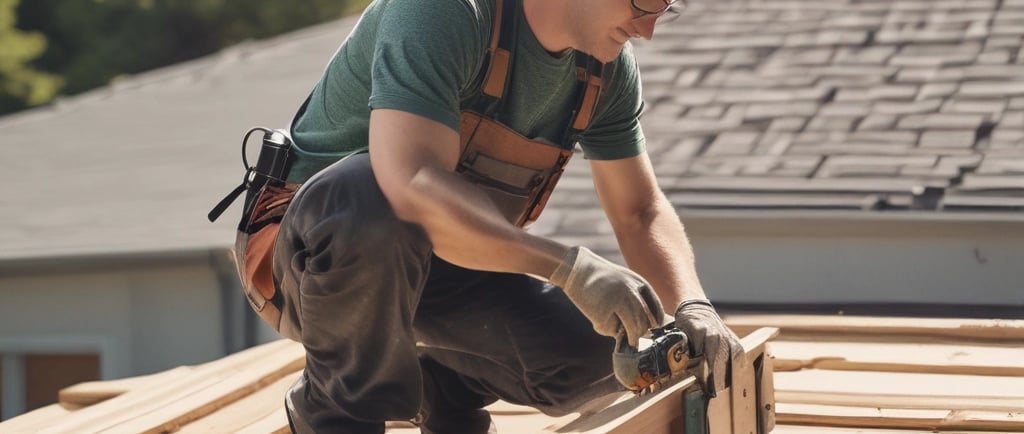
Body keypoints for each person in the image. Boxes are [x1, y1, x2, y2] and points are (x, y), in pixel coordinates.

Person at [228, 0, 744, 432]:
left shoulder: (604, 70)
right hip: (309, 263)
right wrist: (570, 268)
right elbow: (410, 183)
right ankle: (335, 412)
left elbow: (639, 211)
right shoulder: (446, 11)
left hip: (444, 263)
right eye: (643, 3)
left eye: (666, 6)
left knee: (607, 351)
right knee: (369, 194)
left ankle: (444, 383)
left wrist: (692, 306)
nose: (649, 28)